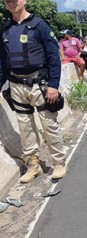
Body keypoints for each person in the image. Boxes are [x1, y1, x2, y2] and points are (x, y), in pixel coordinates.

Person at [0, 0, 67, 183]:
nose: (12, 3)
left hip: (40, 84)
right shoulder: (5, 29)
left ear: (25, 1)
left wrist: (53, 85)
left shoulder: (40, 26)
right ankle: (33, 166)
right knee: (25, 128)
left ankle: (59, 163)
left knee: (49, 125)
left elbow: (54, 56)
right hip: (16, 85)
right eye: (8, 1)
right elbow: (2, 62)